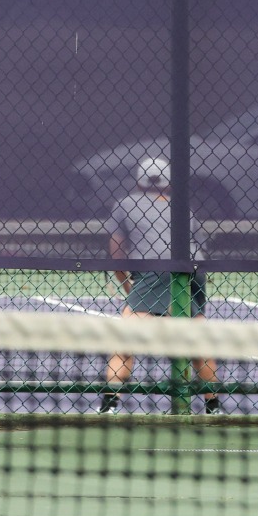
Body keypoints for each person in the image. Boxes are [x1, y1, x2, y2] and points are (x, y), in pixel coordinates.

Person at [102, 155, 220, 415]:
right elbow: (198, 248)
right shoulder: (182, 207)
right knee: (198, 342)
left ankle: (109, 406)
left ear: (139, 181)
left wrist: (128, 287)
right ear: (168, 182)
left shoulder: (125, 204)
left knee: (124, 345)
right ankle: (214, 407)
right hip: (192, 270)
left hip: (154, 269)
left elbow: (117, 252)